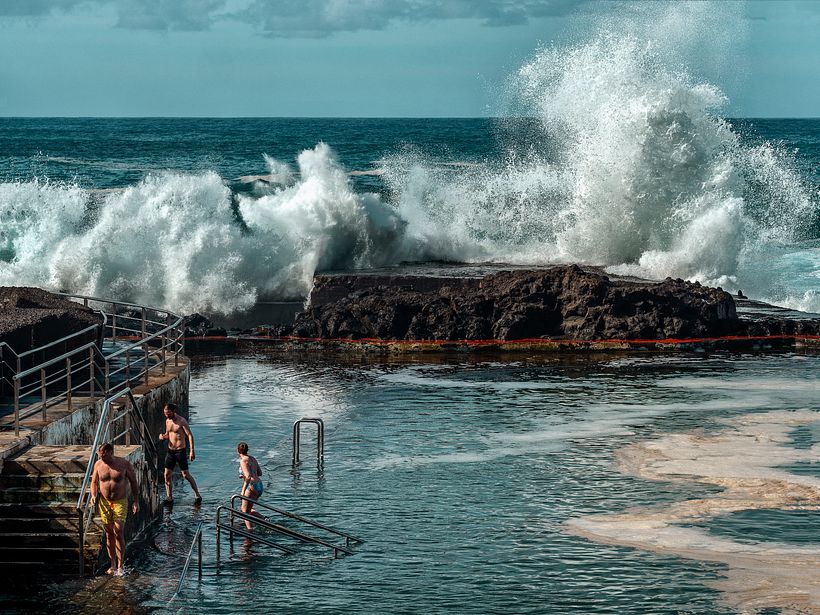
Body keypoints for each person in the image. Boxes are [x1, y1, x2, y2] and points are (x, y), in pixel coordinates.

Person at [90, 442, 139, 577]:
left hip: (120, 502)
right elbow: (94, 482)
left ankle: (120, 565)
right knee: (109, 533)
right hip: (104, 502)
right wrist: (93, 495)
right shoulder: (98, 465)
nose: (102, 459)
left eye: (104, 456)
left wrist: (136, 501)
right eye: (100, 456)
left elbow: (134, 482)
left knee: (118, 531)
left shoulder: (124, 464)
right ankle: (112, 565)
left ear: (111, 452)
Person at [159, 403, 202, 505]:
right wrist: (163, 436)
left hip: (180, 451)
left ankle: (197, 494)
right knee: (167, 475)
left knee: (185, 475)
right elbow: (168, 434)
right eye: (165, 414)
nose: (167, 415)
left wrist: (192, 450)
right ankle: (169, 497)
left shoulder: (182, 421)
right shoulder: (167, 421)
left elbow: (189, 435)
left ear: (174, 411)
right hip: (170, 451)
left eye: (168, 413)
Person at [237, 441, 264, 529]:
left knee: (244, 511)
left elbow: (248, 476)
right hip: (259, 485)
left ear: (238, 451)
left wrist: (243, 490)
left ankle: (250, 531)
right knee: (249, 509)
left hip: (251, 486)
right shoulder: (252, 458)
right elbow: (260, 473)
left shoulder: (243, 460)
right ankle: (263, 520)